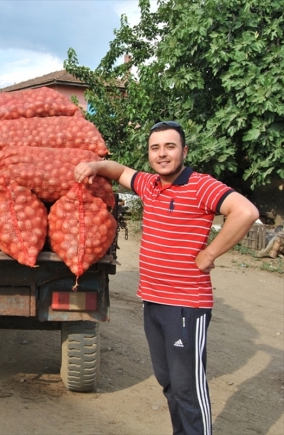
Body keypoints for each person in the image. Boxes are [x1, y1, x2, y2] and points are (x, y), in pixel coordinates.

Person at [74, 121, 259, 435]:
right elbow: (118, 171)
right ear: (149, 154)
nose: (162, 154)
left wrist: (209, 254)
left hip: (186, 306)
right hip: (153, 302)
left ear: (184, 151)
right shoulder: (150, 185)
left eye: (170, 146)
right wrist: (93, 165)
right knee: (168, 382)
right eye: (155, 148)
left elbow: (245, 211)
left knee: (188, 387)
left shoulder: (201, 186)